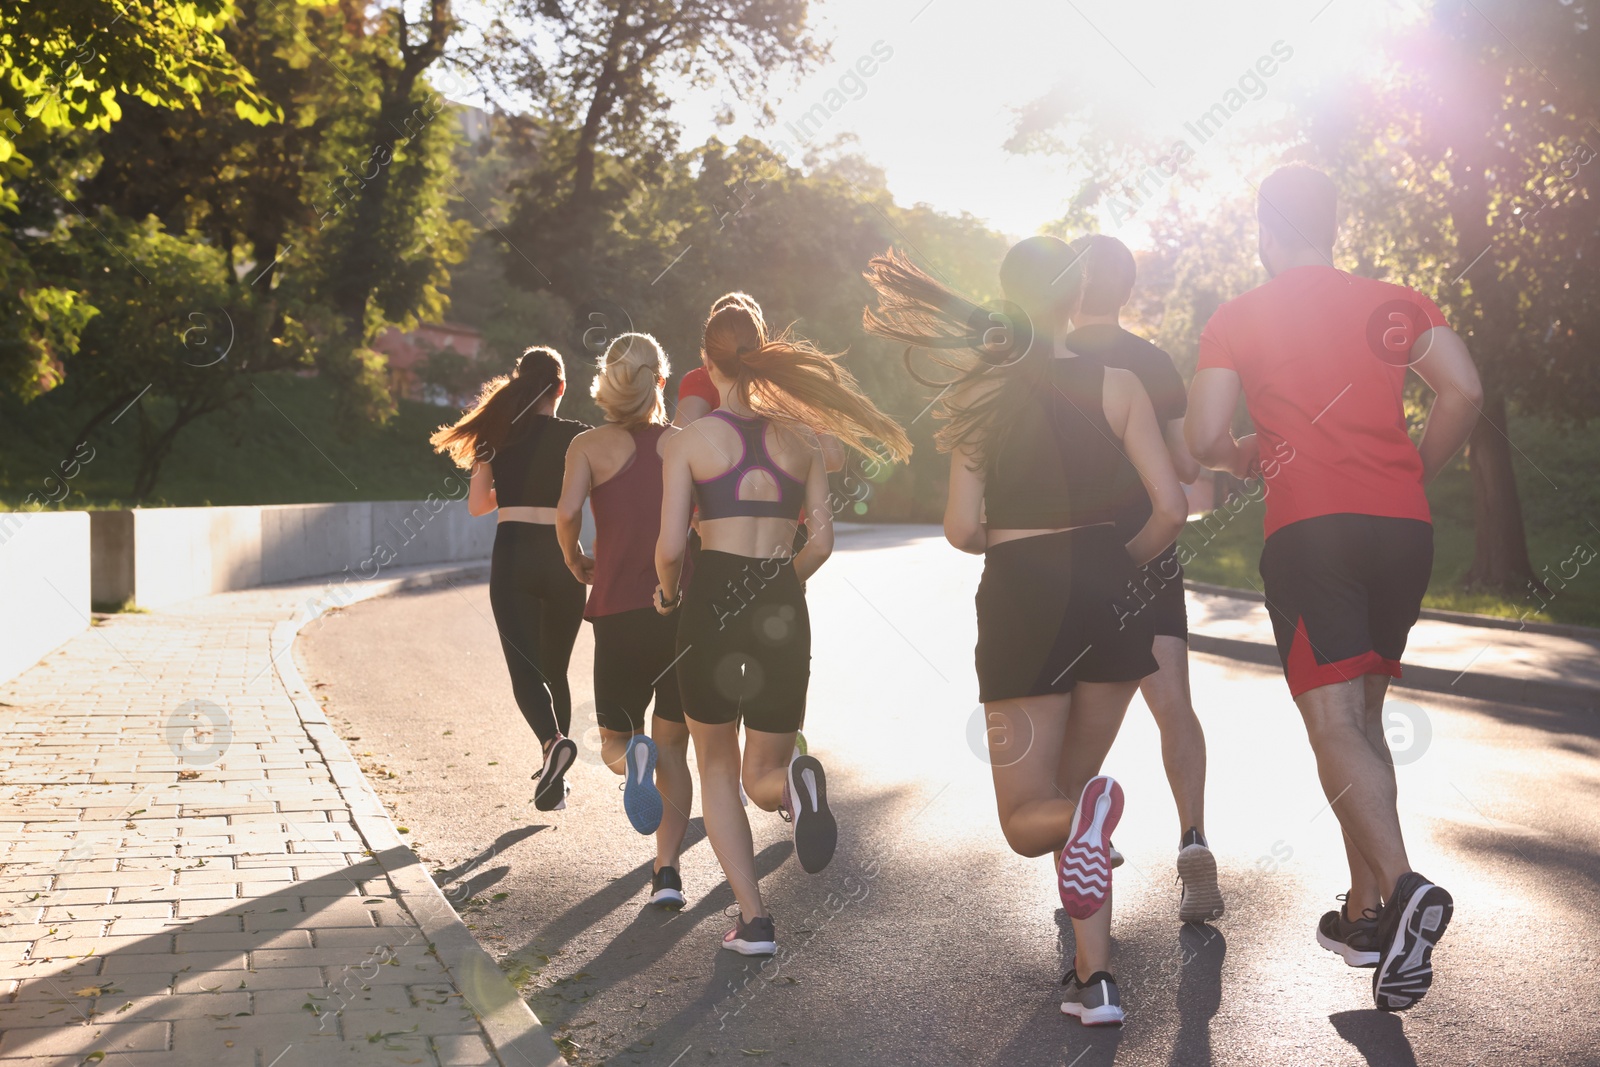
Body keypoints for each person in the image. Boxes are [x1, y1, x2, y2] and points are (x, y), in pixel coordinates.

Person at [863, 238, 1187, 1026]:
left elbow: (960, 526)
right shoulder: (1118, 384)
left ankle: (1095, 943)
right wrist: (1115, 562)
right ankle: (1094, 980)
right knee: (1070, 793)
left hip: (1021, 600)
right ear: (1078, 300)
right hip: (1112, 593)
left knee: (1028, 818)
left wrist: (1014, 540)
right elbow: (1173, 509)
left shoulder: (979, 396)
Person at [1186, 164, 1482, 1012]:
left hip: (1312, 530)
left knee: (1332, 723)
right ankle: (1366, 917)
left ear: (1265, 231)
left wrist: (1241, 451)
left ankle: (1406, 885)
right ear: (1334, 225)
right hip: (1403, 528)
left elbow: (1207, 433)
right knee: (1364, 718)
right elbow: (1463, 388)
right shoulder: (1394, 301)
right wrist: (1413, 470)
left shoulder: (1239, 316)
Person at [655, 301, 912, 957]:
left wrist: (664, 593)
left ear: (706, 362)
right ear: (762, 352)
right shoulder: (800, 439)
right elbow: (822, 542)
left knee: (716, 765)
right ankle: (794, 781)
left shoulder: (687, 441)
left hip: (710, 598)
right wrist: (781, 580)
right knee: (762, 768)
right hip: (779, 601)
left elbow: (667, 546)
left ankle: (755, 920)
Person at [1063, 234, 1222, 924]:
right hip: (1150, 547)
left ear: (1068, 288)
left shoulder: (1047, 360)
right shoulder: (1153, 361)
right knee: (1172, 704)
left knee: (1071, 717)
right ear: (1126, 293)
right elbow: (1189, 468)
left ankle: (1082, 838)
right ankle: (1192, 836)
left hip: (1068, 556)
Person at [554, 333, 693, 908]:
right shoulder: (686, 445)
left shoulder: (586, 446)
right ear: (661, 381)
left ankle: (633, 758)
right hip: (678, 611)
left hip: (614, 610)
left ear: (608, 382)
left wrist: (576, 558)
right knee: (676, 751)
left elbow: (565, 513)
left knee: (615, 741)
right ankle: (667, 874)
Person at [431, 347, 590, 812]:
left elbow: (479, 505)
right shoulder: (579, 437)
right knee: (554, 670)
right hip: (563, 557)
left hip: (514, 556)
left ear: (521, 383)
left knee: (525, 670)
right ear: (561, 388)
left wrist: (512, 483)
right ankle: (554, 780)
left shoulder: (497, 434)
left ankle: (550, 745)